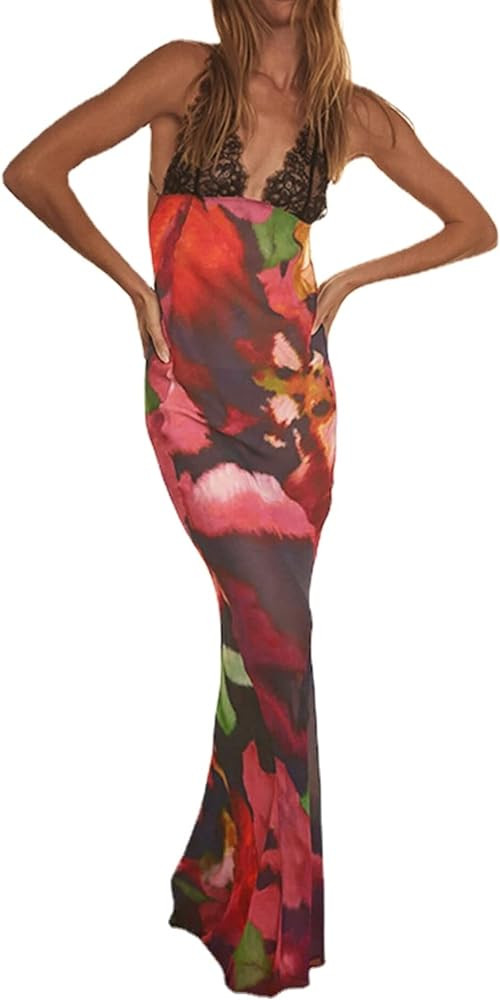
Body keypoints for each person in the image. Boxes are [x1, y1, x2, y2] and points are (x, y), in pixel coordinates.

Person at [3, 1, 497, 995]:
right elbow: (33, 169)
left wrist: (348, 282)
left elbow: (476, 226)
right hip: (191, 402)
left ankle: (226, 885)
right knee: (275, 640)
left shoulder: (349, 114)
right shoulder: (184, 74)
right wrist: (134, 289)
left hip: (291, 411)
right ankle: (264, 918)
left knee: (263, 640)